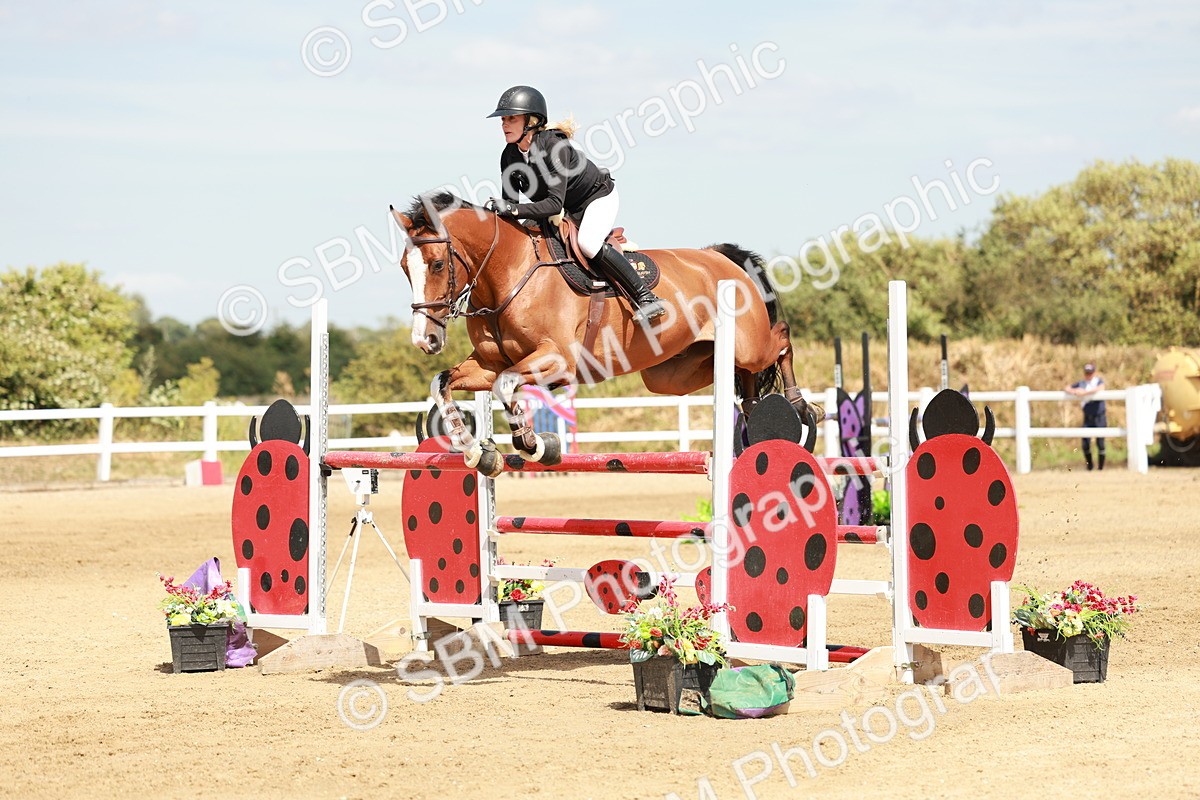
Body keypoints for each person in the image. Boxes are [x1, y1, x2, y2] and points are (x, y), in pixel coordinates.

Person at [485, 85, 666, 324]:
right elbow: (510, 205)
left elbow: (552, 204)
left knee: (588, 244)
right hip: (562, 209)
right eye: (503, 120)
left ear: (531, 121)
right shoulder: (509, 156)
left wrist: (514, 210)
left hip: (595, 199)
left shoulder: (554, 147)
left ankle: (645, 297)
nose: (504, 125)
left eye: (511, 118)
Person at [1066, 362, 1106, 470]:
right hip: (1088, 416)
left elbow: (1101, 388)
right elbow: (1067, 388)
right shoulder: (1081, 383)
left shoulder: (1098, 381)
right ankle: (1090, 466)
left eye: (1090, 373)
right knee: (1085, 443)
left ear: (1094, 373)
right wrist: (1075, 391)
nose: (1088, 375)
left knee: (1100, 443)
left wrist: (1084, 393)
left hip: (1099, 416)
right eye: (1087, 373)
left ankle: (1101, 468)